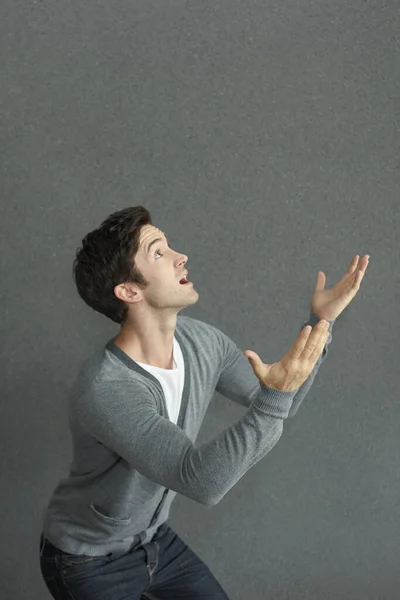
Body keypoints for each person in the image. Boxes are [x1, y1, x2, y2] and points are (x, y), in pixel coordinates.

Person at [39, 206, 333, 599]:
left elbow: (280, 400)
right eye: (158, 252)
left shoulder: (201, 341)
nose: (182, 256)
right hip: (89, 562)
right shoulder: (106, 389)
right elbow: (201, 481)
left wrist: (321, 321)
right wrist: (275, 399)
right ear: (129, 291)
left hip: (155, 543)